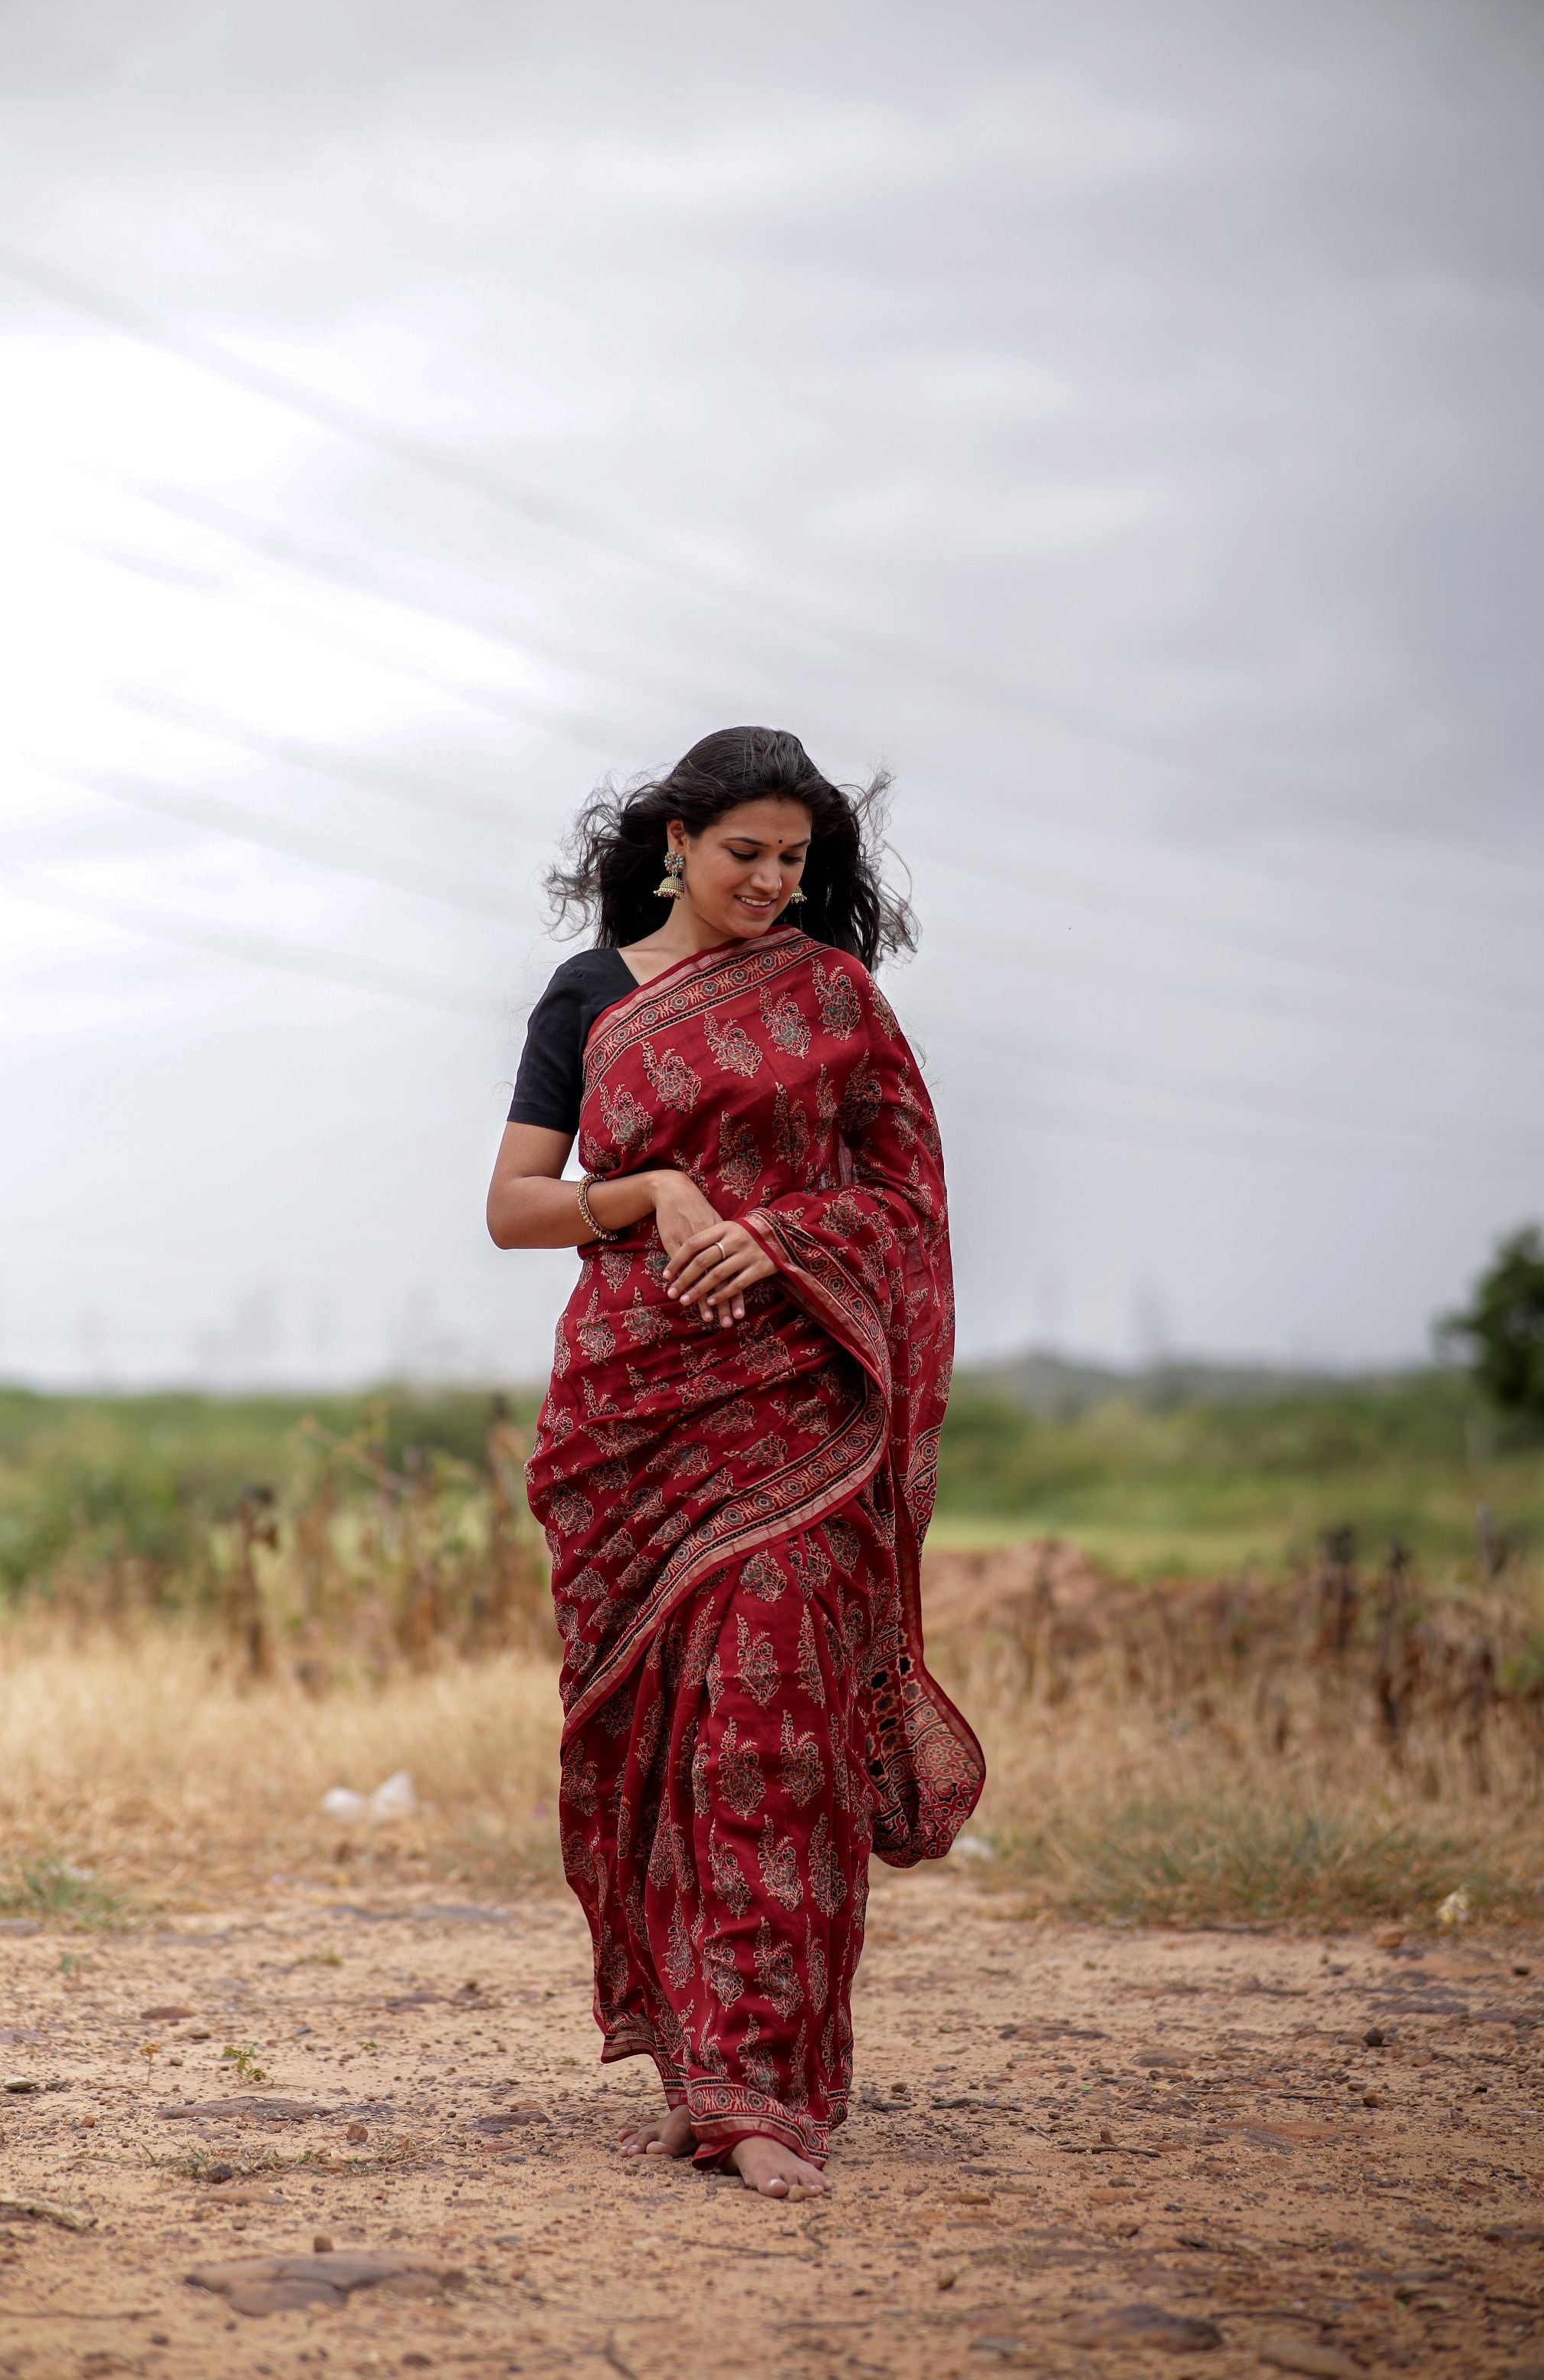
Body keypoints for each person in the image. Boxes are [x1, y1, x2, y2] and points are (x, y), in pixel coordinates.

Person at [487, 725, 984, 2198]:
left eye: (796, 861)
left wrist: (781, 1236)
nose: (772, 883)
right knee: (655, 1749)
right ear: (674, 846)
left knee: (769, 1739)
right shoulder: (586, 996)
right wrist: (652, 1191)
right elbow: (515, 1207)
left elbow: (907, 1205)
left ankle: (764, 2088)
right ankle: (696, 2051)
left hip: (803, 1412)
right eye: (744, 854)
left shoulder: (838, 1003)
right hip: (634, 1418)